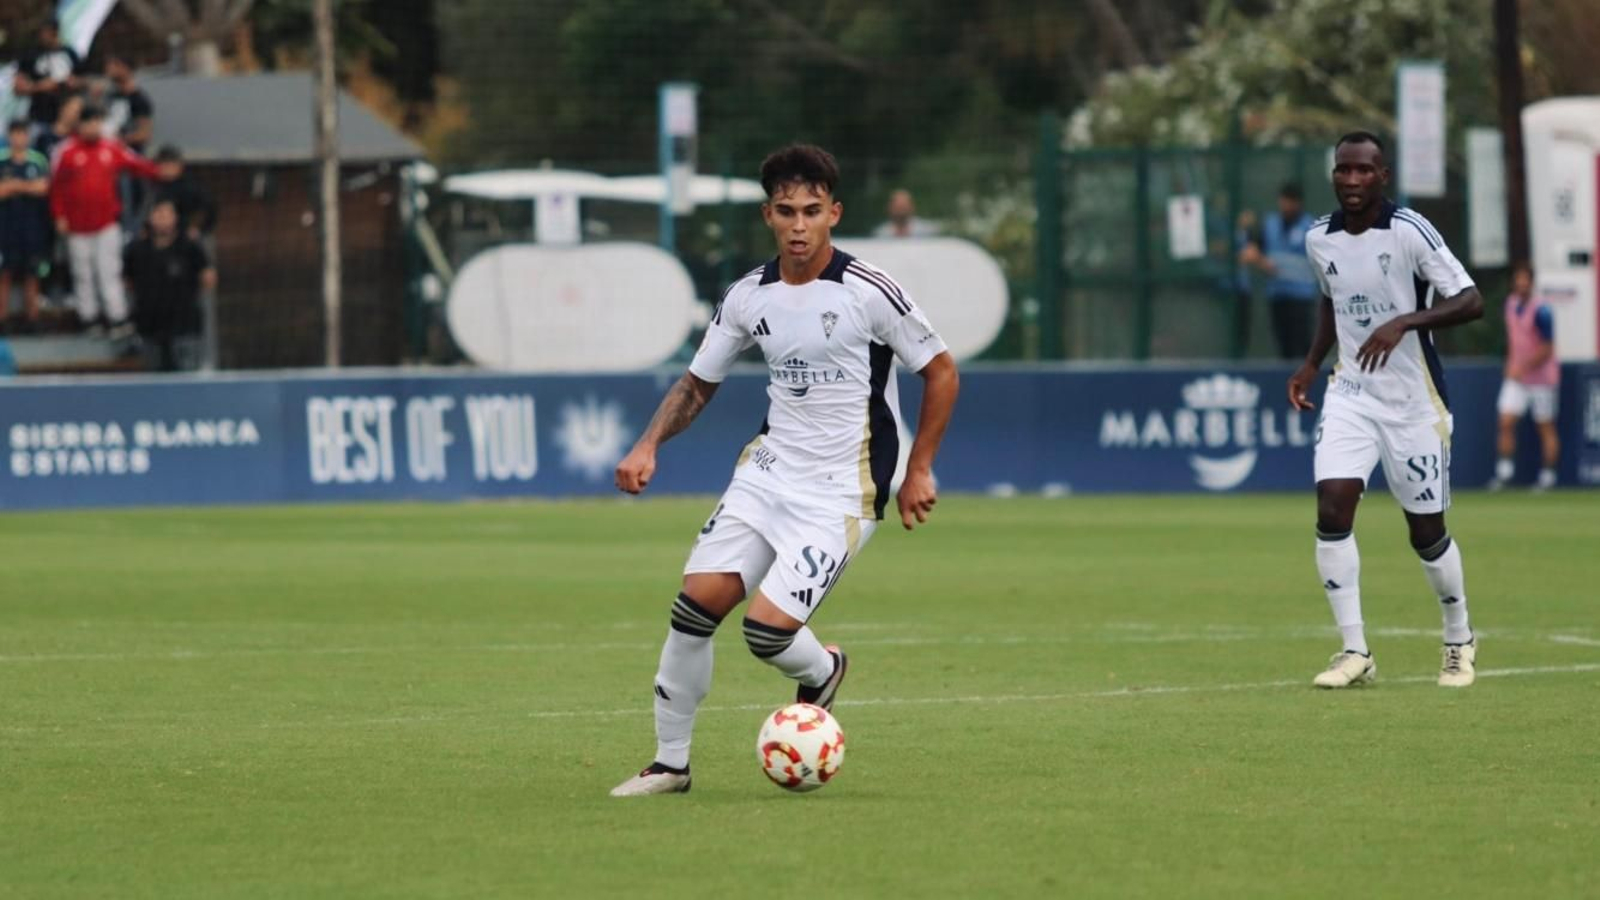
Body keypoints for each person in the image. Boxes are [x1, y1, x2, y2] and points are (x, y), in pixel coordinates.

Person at [609, 145, 959, 796]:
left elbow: (940, 371)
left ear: (834, 213)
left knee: (765, 633)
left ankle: (822, 669)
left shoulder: (869, 292)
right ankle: (670, 764)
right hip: (767, 473)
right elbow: (697, 383)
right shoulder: (748, 297)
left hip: (844, 488)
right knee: (693, 610)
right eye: (787, 212)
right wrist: (647, 444)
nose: (800, 226)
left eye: (813, 212)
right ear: (768, 215)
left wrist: (920, 469)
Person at [1287, 131, 1485, 690]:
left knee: (1426, 532)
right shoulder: (1318, 240)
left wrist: (1403, 322)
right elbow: (1332, 300)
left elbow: (1470, 300)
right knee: (1332, 507)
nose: (1351, 181)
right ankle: (1354, 651)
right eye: (1343, 171)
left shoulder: (1409, 232)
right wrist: (1309, 364)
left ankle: (1458, 638)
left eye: (1363, 171)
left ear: (1383, 176)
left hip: (1413, 403)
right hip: (1352, 392)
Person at [49, 105, 161, 338]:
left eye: (97, 122)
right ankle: (89, 319)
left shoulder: (111, 147)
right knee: (83, 273)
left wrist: (160, 172)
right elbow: (56, 187)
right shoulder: (66, 151)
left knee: (109, 271)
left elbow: (137, 165)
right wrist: (59, 215)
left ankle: (117, 318)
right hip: (77, 226)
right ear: (79, 125)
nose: (93, 127)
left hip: (106, 223)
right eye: (89, 122)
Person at [1489, 261, 1560, 491]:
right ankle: (1504, 473)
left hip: (1541, 378)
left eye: (1525, 280)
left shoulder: (1543, 311)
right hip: (1516, 377)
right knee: (1506, 421)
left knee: (1544, 426)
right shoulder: (1510, 304)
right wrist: (1512, 365)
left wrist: (1524, 367)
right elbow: (1515, 340)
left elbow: (1547, 348)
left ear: (1531, 282)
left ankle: (1548, 476)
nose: (1521, 284)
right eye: (1517, 280)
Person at [124, 199, 215, 371]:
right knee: (153, 383)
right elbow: (127, 281)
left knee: (186, 379)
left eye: (166, 214)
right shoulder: (137, 250)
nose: (162, 218)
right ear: (150, 218)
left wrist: (188, 299)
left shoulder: (189, 247)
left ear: (175, 217)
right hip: (149, 328)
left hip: (184, 327)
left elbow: (208, 278)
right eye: (158, 213)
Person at [1243, 183, 1321, 359]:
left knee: (1302, 341)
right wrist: (1262, 262)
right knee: (1283, 342)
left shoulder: (1309, 226)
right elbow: (1254, 249)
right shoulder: (1270, 224)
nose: (1286, 205)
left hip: (1302, 296)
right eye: (1284, 200)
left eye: (1290, 201)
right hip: (1277, 294)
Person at [0, 119, 52, 331]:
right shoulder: (2, 159)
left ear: (28, 136)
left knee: (33, 274)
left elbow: (43, 188)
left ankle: (33, 319)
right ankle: (2, 320)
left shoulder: (38, 160)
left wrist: (14, 185)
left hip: (32, 228)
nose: (19, 138)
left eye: (23, 133)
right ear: (9, 136)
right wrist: (25, 187)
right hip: (5, 227)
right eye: (15, 133)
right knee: (4, 274)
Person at [14, 19, 83, 137]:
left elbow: (82, 81)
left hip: (65, 118)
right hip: (38, 116)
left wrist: (72, 82)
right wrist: (41, 86)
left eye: (46, 32)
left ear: (55, 32)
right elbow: (18, 88)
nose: (42, 36)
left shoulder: (70, 54)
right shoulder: (31, 55)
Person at [150, 147, 218, 240]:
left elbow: (209, 207)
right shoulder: (154, 185)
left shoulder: (192, 184)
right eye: (162, 164)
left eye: (169, 164)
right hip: (166, 235)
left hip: (192, 235)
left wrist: (198, 228)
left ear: (179, 165)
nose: (165, 169)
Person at [872, 188, 940, 238]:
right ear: (890, 208)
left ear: (912, 207)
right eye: (898, 207)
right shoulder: (881, 233)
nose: (901, 211)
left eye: (903, 207)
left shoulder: (928, 231)